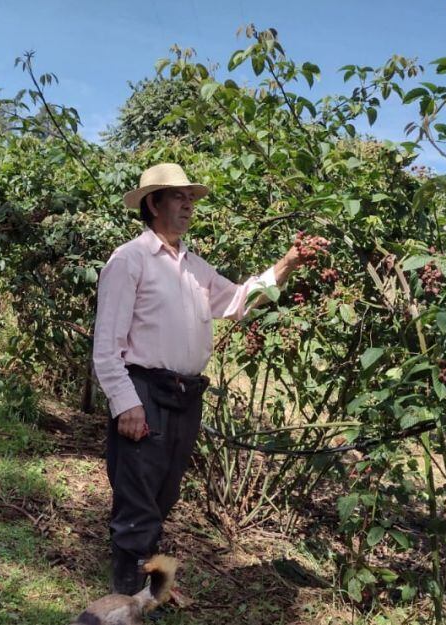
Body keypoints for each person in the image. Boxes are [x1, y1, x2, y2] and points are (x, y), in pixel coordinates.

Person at [92, 162, 327, 595]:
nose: (188, 205)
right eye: (178, 197)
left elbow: (238, 300)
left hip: (185, 396)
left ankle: (143, 591)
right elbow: (107, 344)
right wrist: (126, 402)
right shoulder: (130, 260)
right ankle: (126, 596)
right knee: (138, 496)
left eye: (190, 198)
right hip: (144, 389)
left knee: (163, 494)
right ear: (153, 203)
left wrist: (289, 262)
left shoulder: (195, 267)